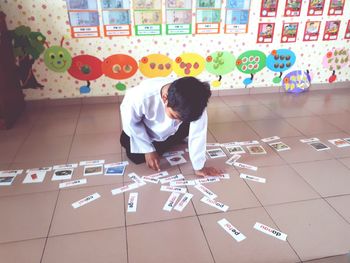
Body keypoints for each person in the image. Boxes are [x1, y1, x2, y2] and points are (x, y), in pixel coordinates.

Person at [120, 77, 223, 177]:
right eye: (174, 116)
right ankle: (163, 143)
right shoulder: (139, 97)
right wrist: (148, 150)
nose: (178, 122)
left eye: (181, 120)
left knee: (187, 124)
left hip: (168, 132)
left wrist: (199, 167)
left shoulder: (196, 102)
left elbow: (198, 134)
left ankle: (168, 141)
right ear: (165, 98)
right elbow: (131, 124)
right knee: (136, 157)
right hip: (145, 130)